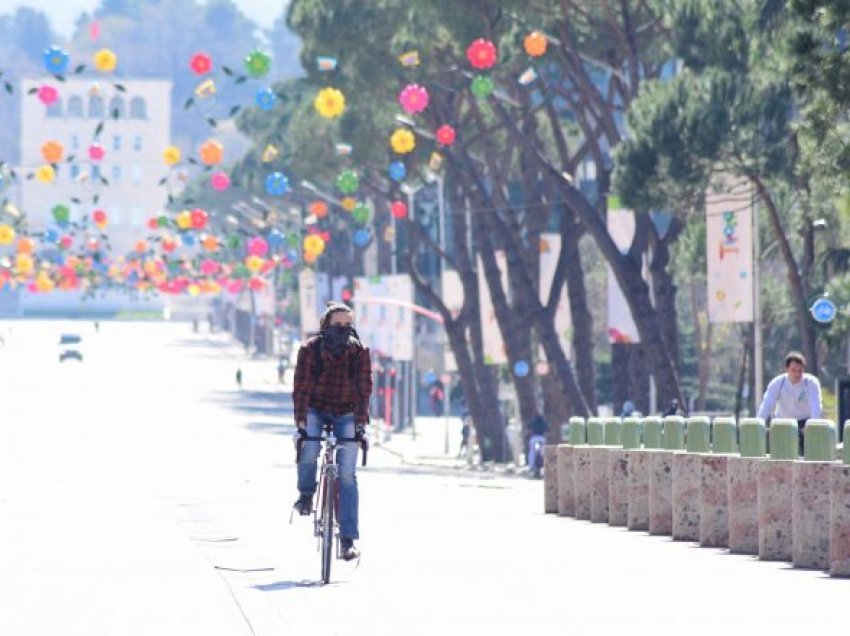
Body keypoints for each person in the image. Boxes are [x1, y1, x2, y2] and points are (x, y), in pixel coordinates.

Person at [292, 302, 372, 561]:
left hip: (346, 410)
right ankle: (306, 494)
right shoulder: (309, 351)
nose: (343, 330)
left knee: (347, 475)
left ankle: (347, 539)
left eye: (348, 325)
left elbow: (363, 391)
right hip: (316, 408)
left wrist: (360, 427)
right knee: (310, 448)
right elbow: (301, 389)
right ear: (325, 326)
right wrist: (302, 425)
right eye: (338, 325)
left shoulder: (359, 353)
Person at [757, 351, 822, 456]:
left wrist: (813, 424)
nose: (797, 374)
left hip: (804, 422)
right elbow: (767, 404)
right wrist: (759, 423)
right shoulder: (777, 383)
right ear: (786, 369)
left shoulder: (811, 383)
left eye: (800, 371)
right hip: (783, 422)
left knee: (806, 454)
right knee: (781, 454)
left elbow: (816, 405)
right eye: (793, 370)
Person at [526, 412, 549, 476]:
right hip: (541, 439)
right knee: (543, 452)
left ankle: (531, 465)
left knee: (532, 452)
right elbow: (547, 429)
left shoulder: (532, 421)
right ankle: (545, 465)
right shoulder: (543, 422)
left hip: (534, 439)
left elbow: (528, 427)